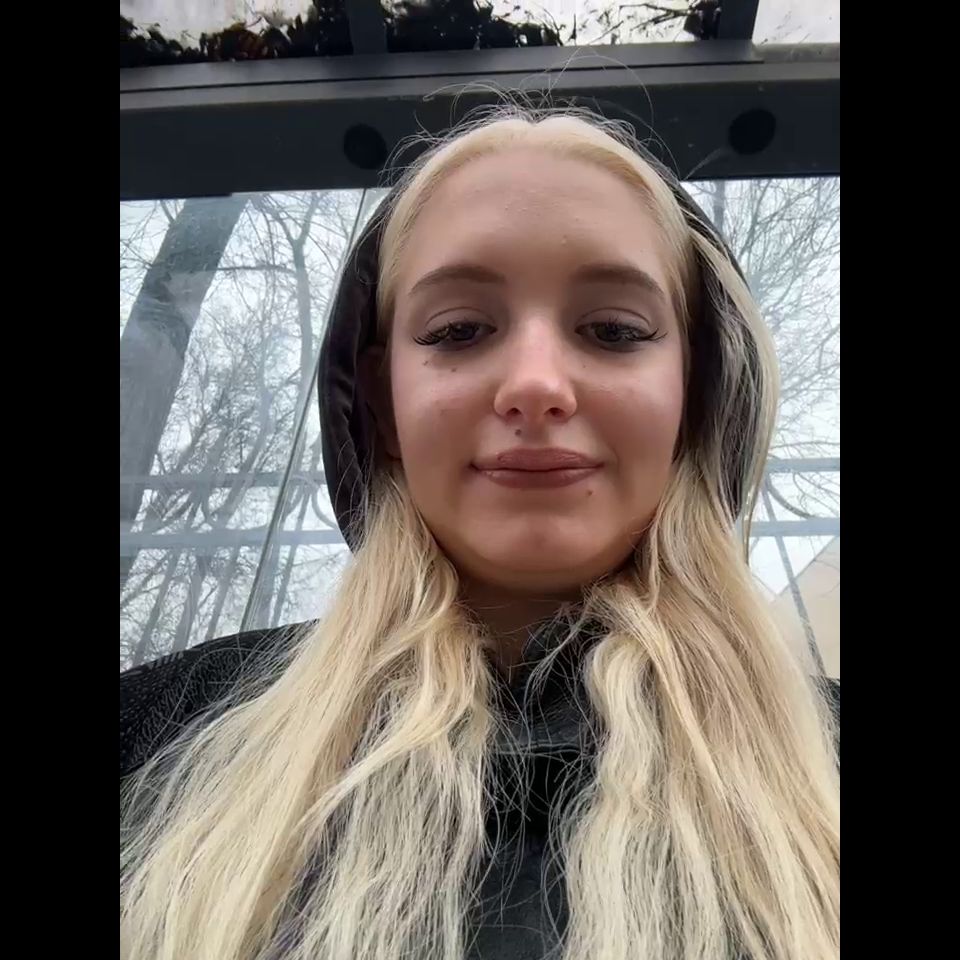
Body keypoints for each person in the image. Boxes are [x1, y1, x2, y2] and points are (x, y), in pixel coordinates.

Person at [120, 104, 840, 960]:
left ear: (694, 398)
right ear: (380, 403)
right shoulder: (157, 736)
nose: (535, 385)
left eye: (614, 331)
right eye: (459, 330)